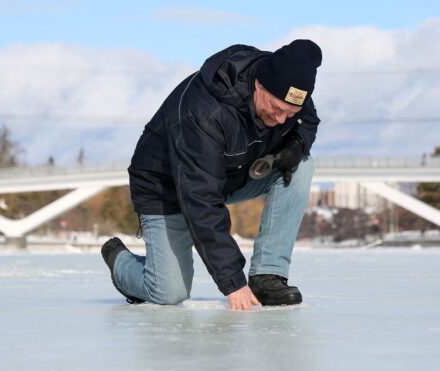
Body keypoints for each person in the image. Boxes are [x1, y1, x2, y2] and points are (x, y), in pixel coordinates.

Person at [101, 39, 322, 310]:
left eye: (290, 113)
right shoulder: (203, 111)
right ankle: (121, 263)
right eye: (275, 109)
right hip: (164, 187)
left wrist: (297, 144)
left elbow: (307, 120)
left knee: (301, 165)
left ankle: (267, 276)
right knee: (169, 293)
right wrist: (233, 281)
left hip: (230, 175)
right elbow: (201, 197)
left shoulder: (289, 88)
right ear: (259, 85)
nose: (279, 119)